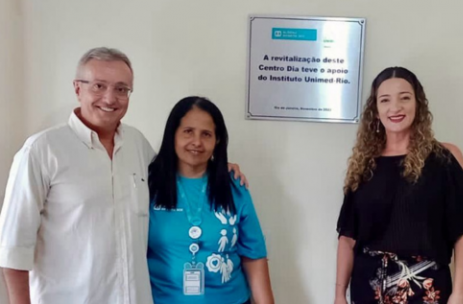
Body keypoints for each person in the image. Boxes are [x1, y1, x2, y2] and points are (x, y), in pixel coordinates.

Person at [0, 47, 246, 304]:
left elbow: (177, 174)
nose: (109, 98)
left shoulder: (136, 144)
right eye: (98, 86)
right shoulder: (42, 151)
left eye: (121, 89)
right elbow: (14, 248)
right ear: (77, 88)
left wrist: (220, 166)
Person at [335, 67, 463, 304]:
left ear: (418, 103)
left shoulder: (445, 158)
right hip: (368, 288)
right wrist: (339, 294)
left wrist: (461, 293)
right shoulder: (364, 164)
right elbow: (347, 238)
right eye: (385, 100)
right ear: (376, 110)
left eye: (404, 97)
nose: (395, 107)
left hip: (427, 289)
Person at [147, 96, 274, 304]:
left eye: (206, 134)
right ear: (173, 136)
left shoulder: (234, 186)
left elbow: (254, 256)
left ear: (217, 141)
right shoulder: (148, 185)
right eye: (188, 132)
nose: (197, 142)